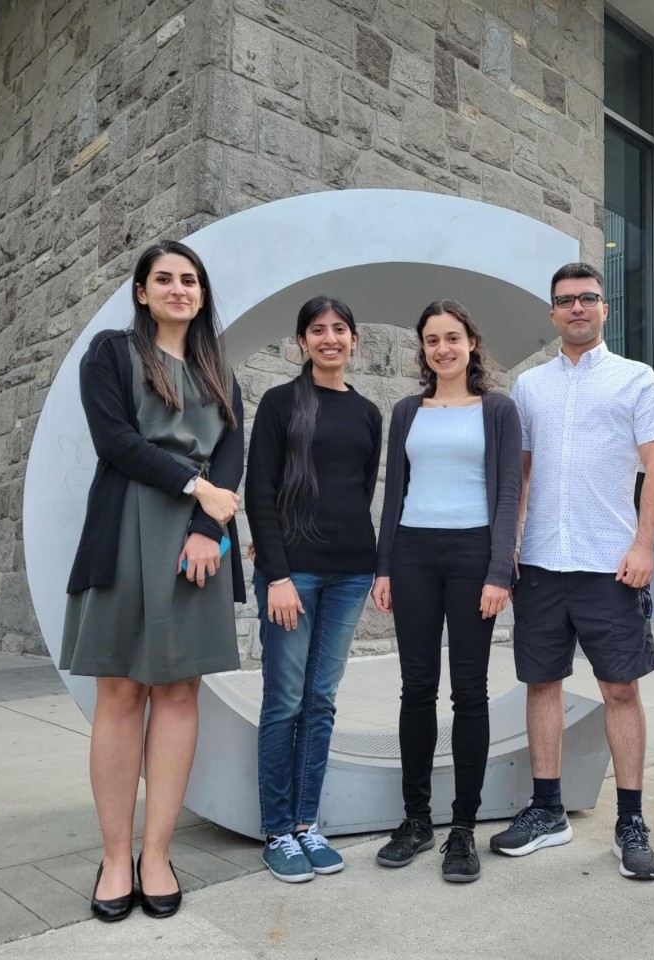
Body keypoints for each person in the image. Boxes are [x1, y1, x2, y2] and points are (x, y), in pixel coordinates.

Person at [61, 241, 245, 922]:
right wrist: (196, 486)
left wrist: (208, 528)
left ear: (201, 293)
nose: (177, 288)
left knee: (176, 691)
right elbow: (114, 440)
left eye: (188, 279)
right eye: (163, 279)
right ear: (141, 291)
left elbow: (231, 451)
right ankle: (115, 857)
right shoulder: (111, 353)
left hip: (195, 542)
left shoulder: (219, 370)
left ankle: (158, 853)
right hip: (123, 528)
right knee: (119, 691)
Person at [490, 262, 654, 881]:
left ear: (604, 308)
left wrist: (645, 546)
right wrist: (510, 541)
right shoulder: (530, 386)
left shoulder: (637, 379)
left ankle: (631, 820)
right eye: (565, 301)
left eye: (587, 298)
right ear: (552, 313)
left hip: (610, 563)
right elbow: (517, 473)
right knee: (541, 684)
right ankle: (548, 810)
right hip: (541, 562)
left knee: (620, 690)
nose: (577, 308)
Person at [370, 300, 522, 883]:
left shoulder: (499, 410)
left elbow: (508, 492)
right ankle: (415, 821)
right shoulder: (407, 411)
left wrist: (498, 571)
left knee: (470, 692)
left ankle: (463, 829)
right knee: (416, 688)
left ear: (471, 343)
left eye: (452, 337)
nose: (442, 348)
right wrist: (384, 567)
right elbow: (394, 492)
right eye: (432, 340)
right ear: (423, 350)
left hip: (471, 556)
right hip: (412, 554)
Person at [244, 295, 382, 884]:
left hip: (351, 571)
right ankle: (277, 830)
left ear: (354, 340)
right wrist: (276, 575)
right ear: (301, 342)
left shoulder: (370, 412)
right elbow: (259, 493)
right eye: (317, 330)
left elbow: (359, 492)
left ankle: (307, 824)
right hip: (292, 574)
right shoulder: (280, 404)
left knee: (321, 701)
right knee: (285, 701)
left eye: (340, 330)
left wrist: (377, 567)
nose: (330, 338)